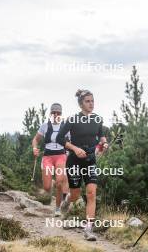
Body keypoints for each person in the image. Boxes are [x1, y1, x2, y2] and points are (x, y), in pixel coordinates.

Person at [56, 90, 108, 241]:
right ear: (80, 104)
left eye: (92, 101)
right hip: (74, 161)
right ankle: (67, 201)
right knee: (75, 195)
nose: (91, 104)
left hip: (90, 160)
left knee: (91, 193)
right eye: (88, 101)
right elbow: (60, 138)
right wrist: (75, 149)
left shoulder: (98, 119)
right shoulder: (72, 119)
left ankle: (88, 229)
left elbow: (101, 135)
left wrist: (104, 143)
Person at [32, 103, 69, 217]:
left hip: (61, 156)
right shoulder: (45, 126)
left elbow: (71, 142)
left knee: (59, 183)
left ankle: (57, 208)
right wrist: (34, 148)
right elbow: (35, 139)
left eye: (58, 113)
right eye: (54, 112)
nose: (56, 114)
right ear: (51, 113)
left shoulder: (65, 126)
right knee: (47, 188)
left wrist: (69, 153)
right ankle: (52, 182)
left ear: (61, 114)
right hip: (47, 157)